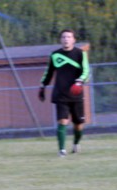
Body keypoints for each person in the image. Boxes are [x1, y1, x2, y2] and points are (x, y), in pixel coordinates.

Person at [38, 28, 90, 157]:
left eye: (69, 37)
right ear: (60, 40)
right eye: (64, 37)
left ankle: (76, 143)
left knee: (78, 125)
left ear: (74, 40)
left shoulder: (80, 53)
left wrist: (79, 81)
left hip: (76, 94)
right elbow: (49, 72)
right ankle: (62, 150)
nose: (66, 39)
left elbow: (86, 71)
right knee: (62, 121)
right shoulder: (55, 55)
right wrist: (42, 86)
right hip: (60, 93)